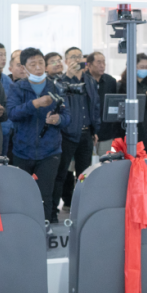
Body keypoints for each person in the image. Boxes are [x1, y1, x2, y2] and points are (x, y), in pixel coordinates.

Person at [6, 47, 71, 225]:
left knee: (45, 195)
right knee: (22, 194)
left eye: (41, 63)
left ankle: (44, 230)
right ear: (24, 67)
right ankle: (24, 230)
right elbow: (12, 113)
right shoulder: (17, 87)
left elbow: (67, 117)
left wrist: (58, 119)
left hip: (50, 151)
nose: (38, 67)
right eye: (32, 64)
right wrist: (35, 103)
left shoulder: (56, 87)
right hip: (22, 150)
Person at [53, 46, 96, 211]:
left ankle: (82, 207)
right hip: (67, 134)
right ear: (66, 61)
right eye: (72, 57)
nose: (77, 60)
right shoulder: (60, 81)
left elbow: (95, 105)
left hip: (87, 133)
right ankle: (54, 208)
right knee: (61, 173)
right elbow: (58, 99)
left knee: (84, 174)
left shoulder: (89, 80)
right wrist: (69, 76)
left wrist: (95, 129)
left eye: (79, 56)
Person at [116, 53, 147, 160]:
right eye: (141, 67)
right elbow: (126, 104)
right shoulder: (124, 84)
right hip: (135, 131)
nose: (144, 70)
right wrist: (145, 96)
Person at [84, 51, 118, 157]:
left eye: (104, 62)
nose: (102, 65)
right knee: (87, 163)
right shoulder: (83, 81)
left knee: (105, 161)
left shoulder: (110, 81)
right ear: (89, 65)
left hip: (106, 131)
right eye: (98, 62)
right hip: (88, 131)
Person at [2, 49, 27, 158]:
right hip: (8, 132)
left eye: (24, 65)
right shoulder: (4, 84)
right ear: (10, 68)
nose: (22, 68)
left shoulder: (35, 86)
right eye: (19, 65)